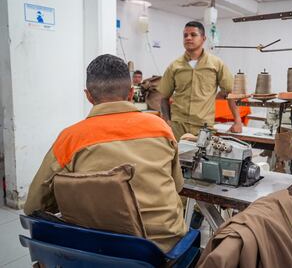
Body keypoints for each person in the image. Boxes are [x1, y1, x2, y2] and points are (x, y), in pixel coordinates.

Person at [24, 54, 187, 252]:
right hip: (162, 251)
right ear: (130, 93)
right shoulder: (161, 128)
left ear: (88, 96)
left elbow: (33, 206)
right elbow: (177, 186)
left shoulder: (70, 138)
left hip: (95, 252)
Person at [158, 21, 243, 141]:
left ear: (203, 38)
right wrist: (167, 121)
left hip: (204, 127)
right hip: (178, 126)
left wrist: (238, 122)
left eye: (193, 35)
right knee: (177, 159)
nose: (188, 38)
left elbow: (230, 93)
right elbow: (164, 97)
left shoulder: (216, 64)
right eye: (185, 35)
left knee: (202, 159)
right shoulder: (174, 66)